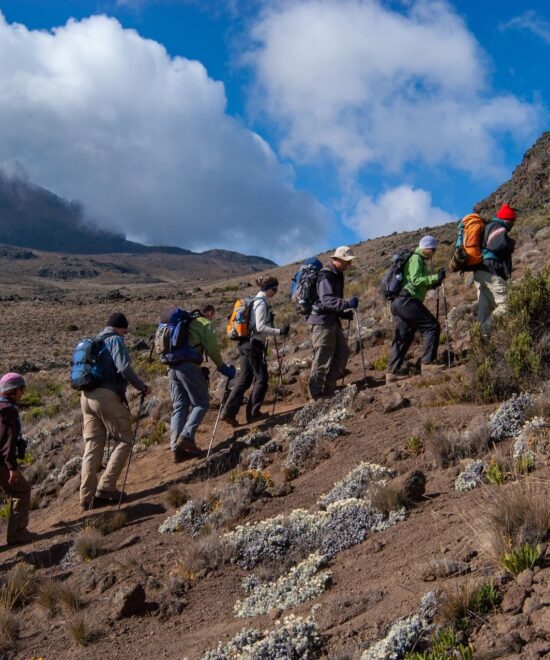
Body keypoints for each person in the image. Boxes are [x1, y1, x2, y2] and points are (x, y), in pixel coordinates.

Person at [79, 312, 151, 512]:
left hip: (86, 396)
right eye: (125, 330)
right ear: (120, 328)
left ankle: (86, 498)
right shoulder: (114, 340)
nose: (125, 334)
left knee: (92, 445)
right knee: (125, 439)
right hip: (105, 396)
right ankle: (106, 487)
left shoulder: (95, 341)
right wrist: (141, 386)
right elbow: (124, 368)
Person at [221, 275, 290, 425]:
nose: (276, 292)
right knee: (262, 379)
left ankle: (229, 412)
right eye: (275, 289)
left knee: (244, 379)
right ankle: (253, 414)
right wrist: (280, 331)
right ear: (268, 289)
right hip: (254, 345)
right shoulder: (261, 303)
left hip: (245, 344)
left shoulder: (254, 301)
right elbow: (260, 327)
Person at [170, 310, 235, 462]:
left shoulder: (183, 323)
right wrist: (222, 367)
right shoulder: (204, 324)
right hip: (189, 367)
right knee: (201, 403)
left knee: (180, 406)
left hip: (172, 367)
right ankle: (186, 437)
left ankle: (176, 449)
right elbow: (212, 349)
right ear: (207, 313)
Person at [386, 236, 445, 384]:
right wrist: (435, 277)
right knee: (432, 327)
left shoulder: (414, 258)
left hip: (398, 302)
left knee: (404, 336)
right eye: (433, 250)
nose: (434, 253)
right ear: (428, 248)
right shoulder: (416, 258)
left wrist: (432, 283)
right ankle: (427, 364)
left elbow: (414, 282)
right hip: (407, 301)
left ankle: (391, 373)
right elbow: (417, 279)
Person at [307, 246, 358, 401]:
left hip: (332, 320)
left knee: (342, 353)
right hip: (321, 322)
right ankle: (315, 395)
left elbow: (329, 301)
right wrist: (346, 303)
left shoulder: (337, 274)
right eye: (346, 262)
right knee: (322, 358)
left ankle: (329, 388)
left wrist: (342, 313)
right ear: (337, 260)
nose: (349, 265)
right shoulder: (325, 276)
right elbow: (327, 299)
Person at [0, 372, 36, 546]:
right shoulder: (8, 410)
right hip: (1, 463)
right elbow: (7, 442)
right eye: (22, 390)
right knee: (21, 490)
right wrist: (12, 468)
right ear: (14, 391)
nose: (23, 394)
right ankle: (17, 534)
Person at [473, 203, 516, 334]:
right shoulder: (499, 227)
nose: (513, 224)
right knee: (507, 305)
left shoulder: (487, 227)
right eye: (513, 220)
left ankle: (480, 341)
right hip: (491, 271)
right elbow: (498, 246)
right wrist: (510, 243)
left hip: (480, 272)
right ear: (508, 219)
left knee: (484, 311)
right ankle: (483, 331)